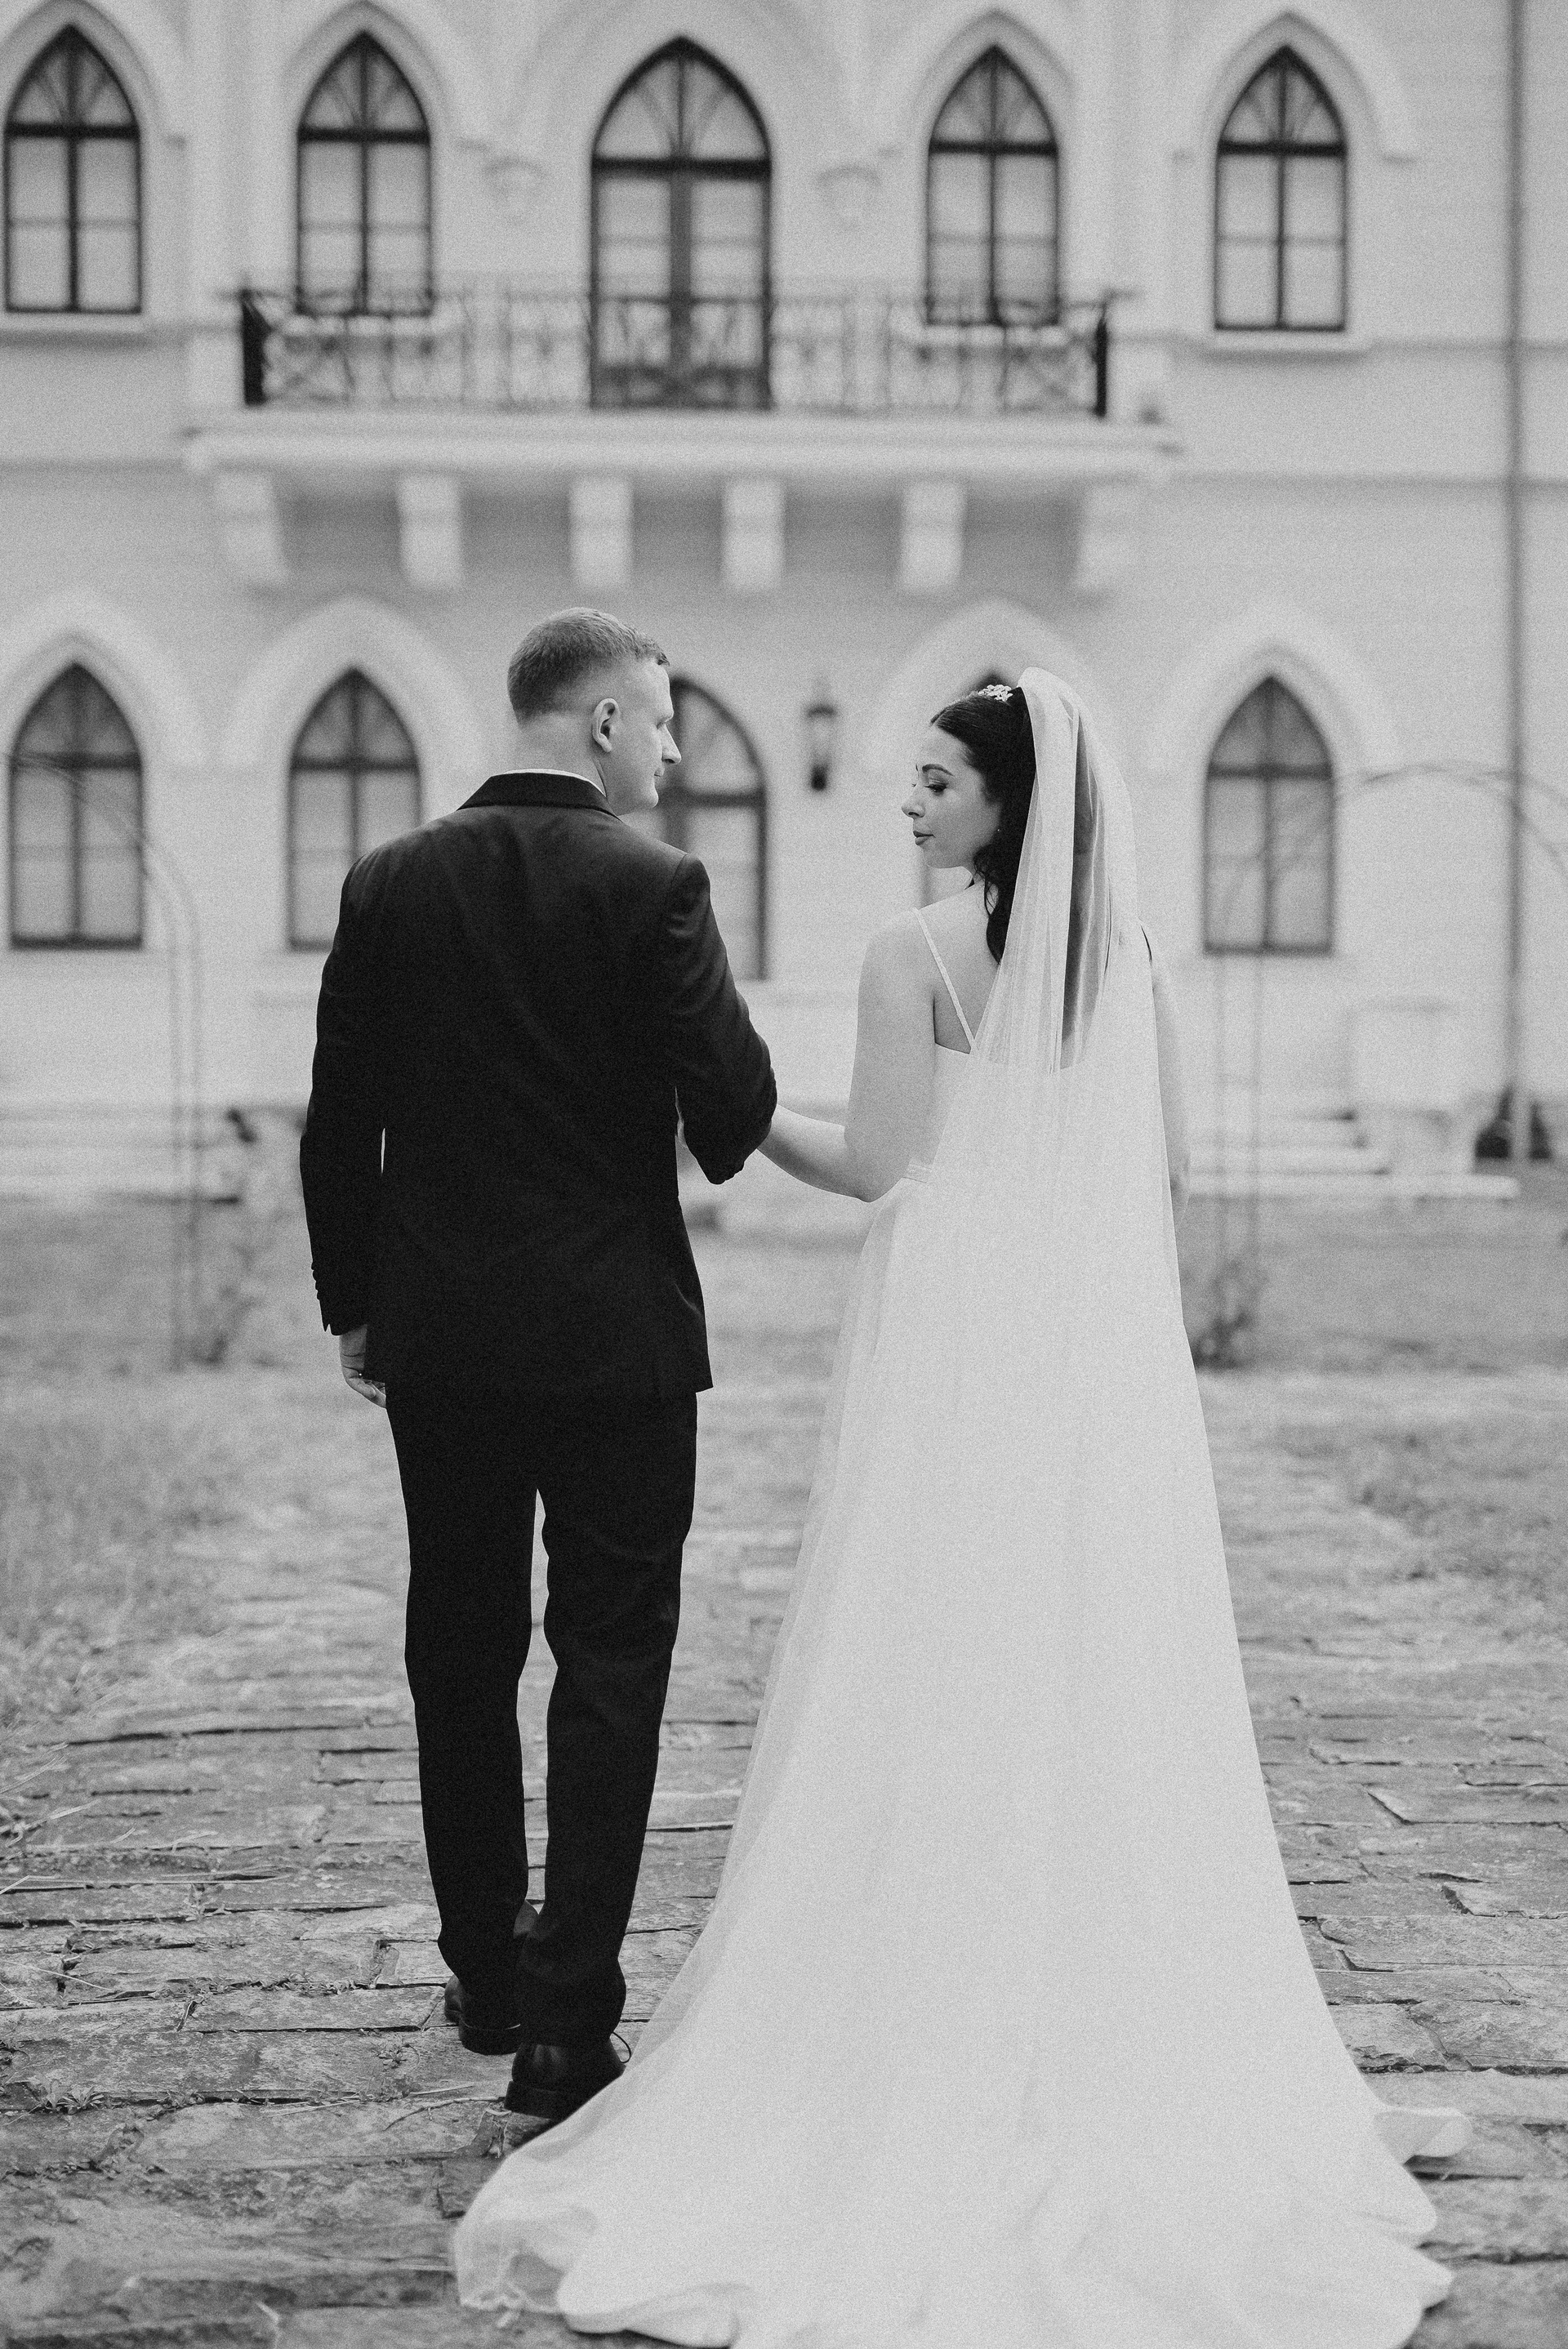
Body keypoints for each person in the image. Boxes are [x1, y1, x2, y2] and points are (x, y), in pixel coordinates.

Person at [454, 671, 1468, 2348]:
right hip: (1088, 1367)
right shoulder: (1131, 964)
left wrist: (728, 1111)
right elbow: (1165, 1176)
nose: (910, 802)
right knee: (1093, 1666)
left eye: (936, 781)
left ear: (1009, 801)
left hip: (952, 1354)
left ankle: (921, 1991)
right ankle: (1097, 1996)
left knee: (930, 1662)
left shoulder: (912, 955)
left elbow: (880, 1168)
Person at [299, 608, 776, 2124]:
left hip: (442, 1340)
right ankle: (569, 2023)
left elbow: (338, 1123)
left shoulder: (388, 882)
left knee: (459, 1646)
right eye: (663, 720)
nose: (674, 750)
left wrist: (356, 1307)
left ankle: (486, 1977)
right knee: (611, 1658)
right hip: (618, 1344)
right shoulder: (656, 887)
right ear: (604, 723)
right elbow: (734, 1112)